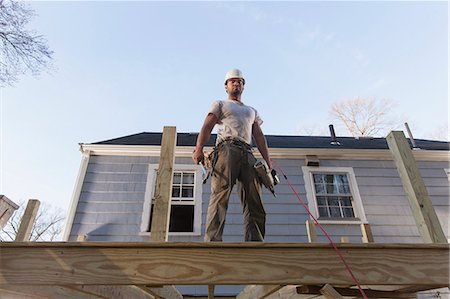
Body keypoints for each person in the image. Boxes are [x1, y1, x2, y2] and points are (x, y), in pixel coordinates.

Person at [192, 68, 272, 242]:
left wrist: (268, 162)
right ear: (226, 86)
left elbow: (259, 137)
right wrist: (199, 148)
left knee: (254, 200)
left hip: (248, 152)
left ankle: (255, 243)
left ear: (243, 86)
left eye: (240, 81)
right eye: (233, 81)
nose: (236, 83)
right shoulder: (220, 104)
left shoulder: (252, 111)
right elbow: (207, 126)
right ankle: (212, 241)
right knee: (220, 194)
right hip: (227, 149)